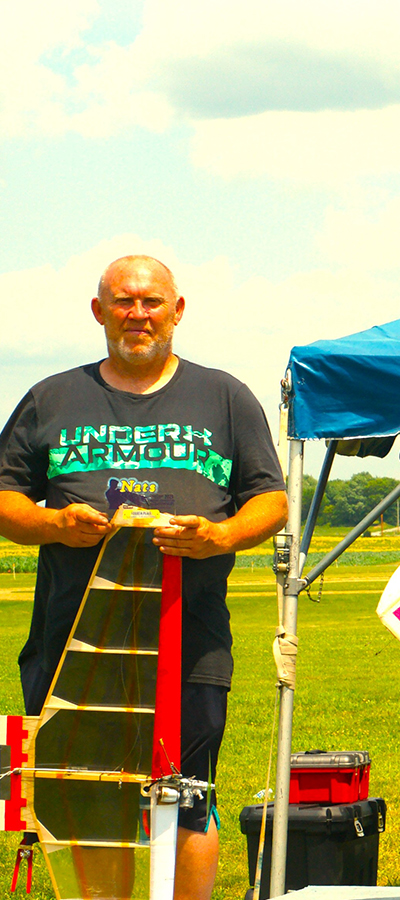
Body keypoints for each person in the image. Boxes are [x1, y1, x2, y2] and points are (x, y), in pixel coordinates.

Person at [0, 255, 288, 900]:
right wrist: (54, 524)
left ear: (177, 310)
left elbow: (270, 500)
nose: (138, 314)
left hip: (190, 637)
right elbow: (5, 498)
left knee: (189, 794)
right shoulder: (51, 396)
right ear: (98, 311)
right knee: (86, 798)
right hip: (73, 643)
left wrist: (221, 536)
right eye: (123, 302)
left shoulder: (224, 395)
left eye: (152, 301)